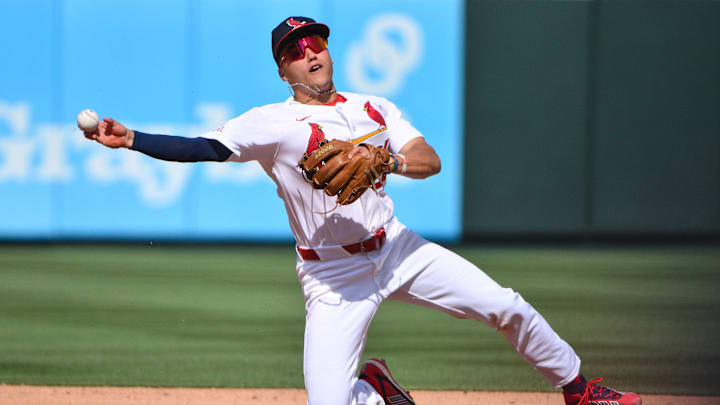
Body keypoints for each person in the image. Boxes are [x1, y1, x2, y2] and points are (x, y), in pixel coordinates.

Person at [83, 16, 642, 405]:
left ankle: (580, 390)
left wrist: (387, 160)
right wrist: (131, 137)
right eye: (296, 52)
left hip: (396, 247)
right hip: (331, 274)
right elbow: (203, 148)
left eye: (316, 43)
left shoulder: (375, 107)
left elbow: (429, 160)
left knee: (504, 304)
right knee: (329, 399)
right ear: (284, 71)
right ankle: (377, 389)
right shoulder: (271, 122)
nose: (311, 53)